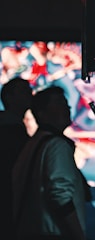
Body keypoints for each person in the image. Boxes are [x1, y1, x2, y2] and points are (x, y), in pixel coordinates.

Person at [12, 86, 89, 240]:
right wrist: (78, 235)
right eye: (59, 102)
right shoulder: (56, 145)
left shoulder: (34, 143)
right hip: (54, 233)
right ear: (42, 112)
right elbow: (60, 196)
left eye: (65, 102)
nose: (67, 107)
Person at [0, 77, 32, 239]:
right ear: (9, 97)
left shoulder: (13, 127)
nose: (30, 94)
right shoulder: (11, 131)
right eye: (24, 91)